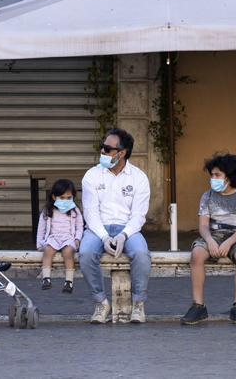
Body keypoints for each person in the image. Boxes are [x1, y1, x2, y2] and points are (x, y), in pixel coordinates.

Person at [79, 127, 151, 324]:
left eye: (107, 149)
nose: (102, 152)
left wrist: (123, 235)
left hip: (128, 228)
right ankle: (101, 302)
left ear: (122, 153)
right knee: (85, 253)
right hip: (97, 228)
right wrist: (103, 237)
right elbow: (90, 212)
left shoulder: (139, 177)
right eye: (102, 147)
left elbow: (139, 215)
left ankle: (138, 304)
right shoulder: (91, 176)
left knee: (142, 254)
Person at [181, 152, 236, 326]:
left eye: (217, 175)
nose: (213, 178)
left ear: (229, 177)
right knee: (197, 255)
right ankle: (198, 306)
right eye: (212, 175)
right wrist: (210, 241)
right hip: (212, 235)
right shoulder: (207, 196)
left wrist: (229, 243)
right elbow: (203, 226)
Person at [35, 178, 84, 293]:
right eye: (62, 198)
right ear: (54, 197)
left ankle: (69, 282)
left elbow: (80, 227)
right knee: (47, 251)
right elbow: (41, 228)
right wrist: (39, 243)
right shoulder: (48, 211)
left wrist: (77, 239)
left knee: (68, 253)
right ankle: (46, 278)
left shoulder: (75, 211)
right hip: (53, 238)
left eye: (69, 198)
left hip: (68, 238)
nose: (65, 201)